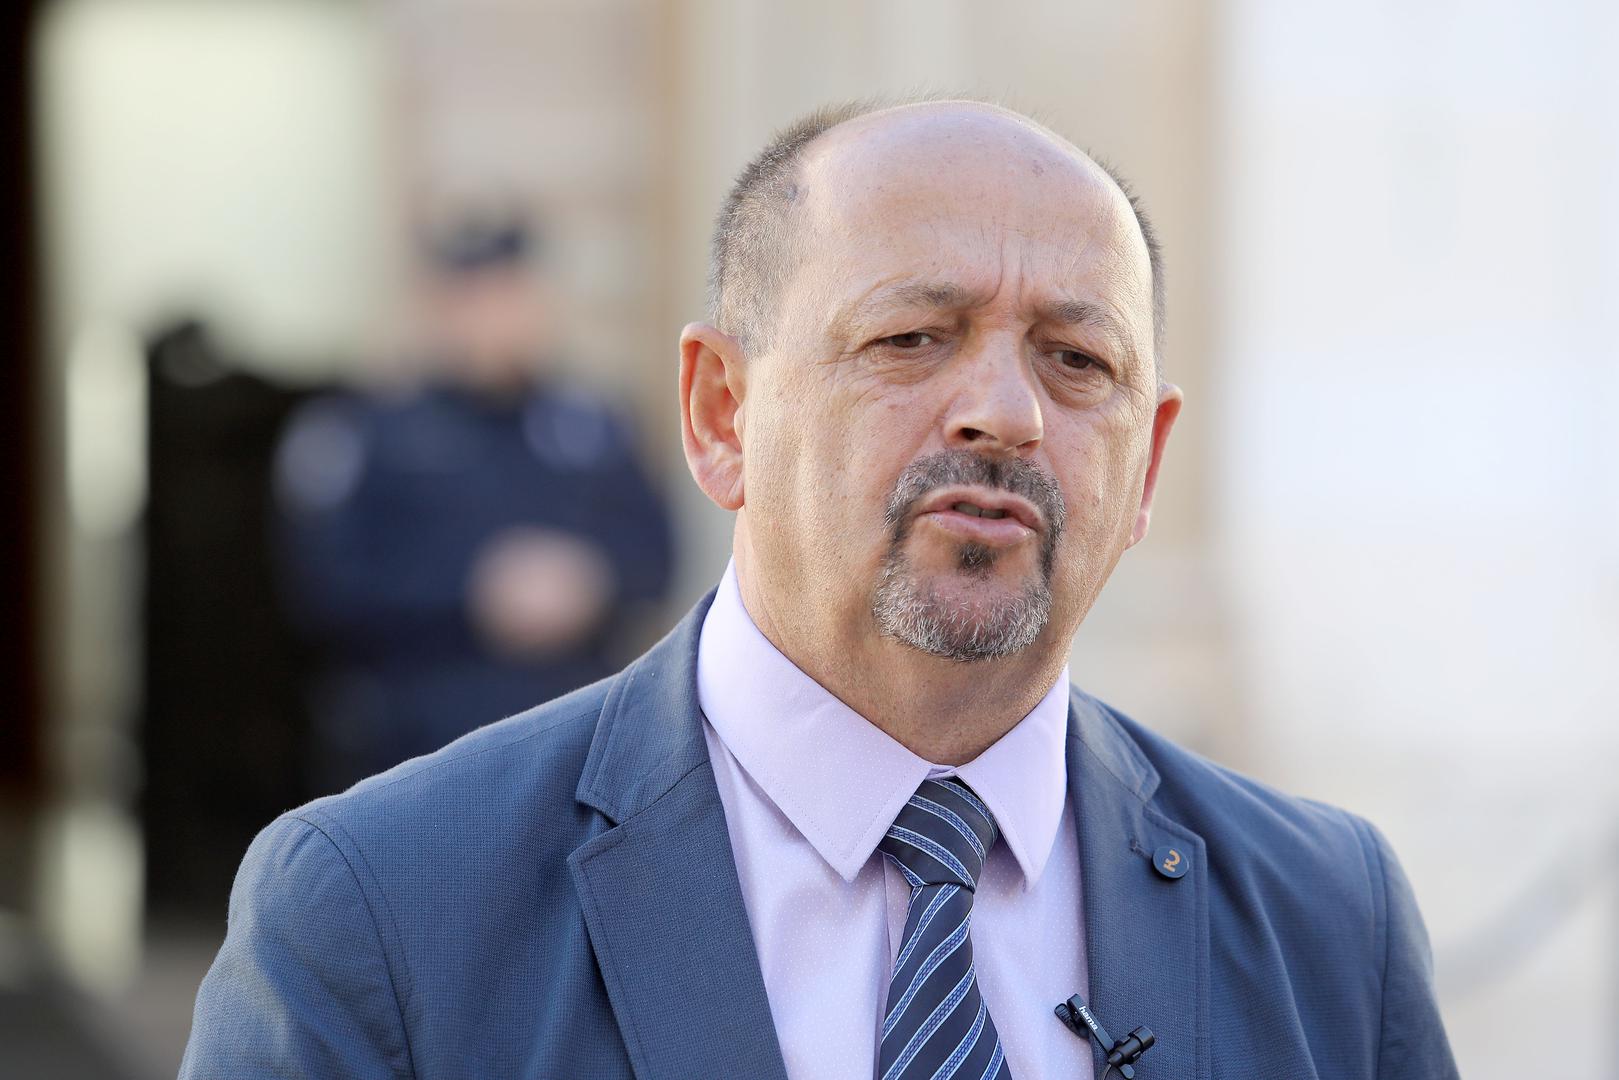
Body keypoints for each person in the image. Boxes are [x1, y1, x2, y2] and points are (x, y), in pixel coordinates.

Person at [183, 100, 1459, 1079]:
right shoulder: (381, 913)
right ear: (720, 413)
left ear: (1148, 467)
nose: (1005, 412)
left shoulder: (1323, 918)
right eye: (911, 338)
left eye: (1076, 360)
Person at [272, 215, 674, 790]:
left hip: (575, 748)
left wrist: (590, 581)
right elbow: (326, 590)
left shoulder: (593, 427)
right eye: (473, 297)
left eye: (509, 293)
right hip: (419, 751)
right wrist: (475, 593)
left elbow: (657, 554)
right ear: (437, 307)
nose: (493, 318)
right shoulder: (372, 434)